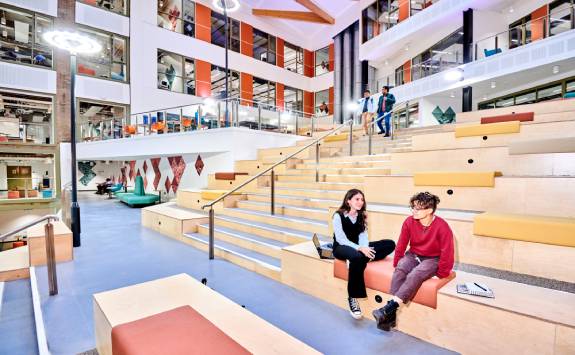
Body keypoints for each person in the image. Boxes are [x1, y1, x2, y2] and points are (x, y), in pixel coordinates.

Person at [372, 192, 454, 331]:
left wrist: (441, 273)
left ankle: (389, 308)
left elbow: (448, 251)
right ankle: (389, 315)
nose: (413, 211)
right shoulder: (409, 221)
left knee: (416, 274)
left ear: (429, 210)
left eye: (418, 208)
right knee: (400, 270)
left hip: (433, 258)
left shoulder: (442, 226)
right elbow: (401, 244)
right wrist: (397, 263)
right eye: (413, 207)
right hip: (414, 254)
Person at [332, 189, 396, 320]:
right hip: (342, 247)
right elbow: (341, 239)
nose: (360, 202)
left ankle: (359, 260)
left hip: (359, 248)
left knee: (390, 244)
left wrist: (365, 248)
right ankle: (353, 298)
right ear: (348, 200)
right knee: (356, 256)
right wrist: (360, 248)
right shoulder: (338, 215)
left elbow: (363, 237)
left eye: (362, 200)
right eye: (357, 199)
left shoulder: (362, 216)